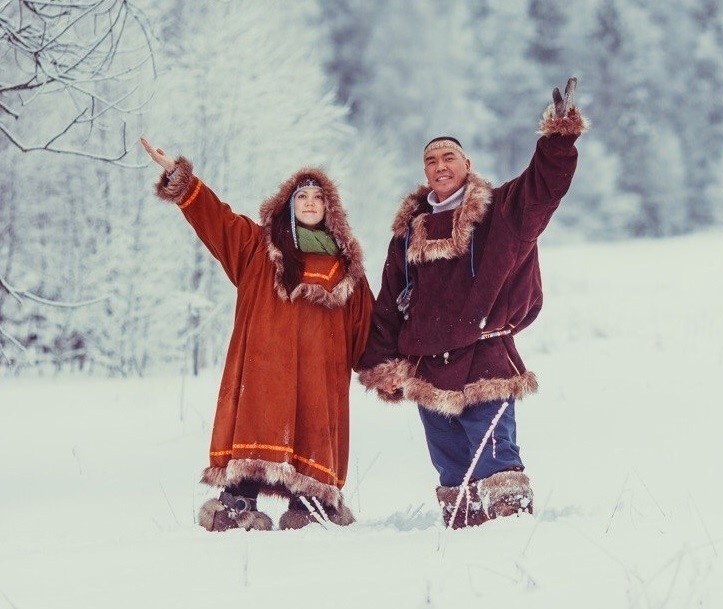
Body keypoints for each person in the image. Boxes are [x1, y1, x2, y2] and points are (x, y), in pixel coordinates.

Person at [356, 79, 588, 529]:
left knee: (498, 466)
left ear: (467, 164)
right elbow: (388, 302)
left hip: (485, 359)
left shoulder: (502, 212)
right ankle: (458, 561)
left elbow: (544, 186)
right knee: (453, 474)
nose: (439, 166)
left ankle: (510, 544)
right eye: (431, 160)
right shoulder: (408, 232)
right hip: (426, 368)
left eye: (448, 157)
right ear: (424, 172)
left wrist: (558, 138)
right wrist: (381, 363)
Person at [141, 138, 374, 531]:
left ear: (330, 207)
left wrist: (394, 367)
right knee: (255, 429)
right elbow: (217, 219)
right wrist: (181, 181)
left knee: (313, 432)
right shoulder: (258, 249)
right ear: (289, 204)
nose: (311, 203)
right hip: (263, 370)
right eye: (303, 196)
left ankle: (310, 507)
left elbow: (369, 327)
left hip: (320, 375)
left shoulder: (347, 268)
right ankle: (237, 506)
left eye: (319, 197)